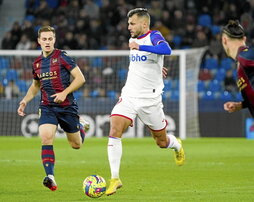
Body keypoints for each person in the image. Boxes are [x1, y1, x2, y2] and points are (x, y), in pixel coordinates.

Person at [106, 8, 185, 196]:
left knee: (161, 141)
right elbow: (140, 63)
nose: (129, 27)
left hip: (151, 100)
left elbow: (166, 49)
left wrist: (141, 48)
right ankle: (115, 178)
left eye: (132, 23)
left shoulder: (154, 36)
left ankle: (177, 145)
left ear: (144, 24)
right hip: (130, 95)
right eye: (128, 24)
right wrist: (157, 68)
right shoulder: (132, 41)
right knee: (115, 129)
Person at [17, 26, 89, 191]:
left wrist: (64, 92)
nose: (47, 42)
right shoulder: (37, 63)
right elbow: (36, 85)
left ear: (54, 40)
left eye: (50, 39)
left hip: (67, 106)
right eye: (44, 39)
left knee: (76, 145)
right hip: (47, 106)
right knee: (46, 137)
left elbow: (80, 78)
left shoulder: (62, 57)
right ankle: (50, 177)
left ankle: (81, 126)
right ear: (39, 41)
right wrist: (25, 100)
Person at [221, 20, 254, 116]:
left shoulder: (245, 56)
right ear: (244, 38)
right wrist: (240, 105)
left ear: (224, 40)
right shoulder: (242, 61)